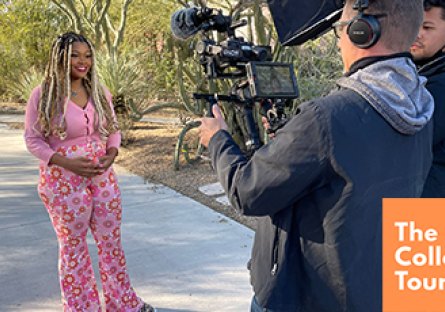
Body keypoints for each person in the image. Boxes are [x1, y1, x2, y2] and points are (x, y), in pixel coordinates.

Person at [198, 0, 434, 311]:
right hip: (371, 291)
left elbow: (247, 193)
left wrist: (217, 139)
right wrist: (292, 139)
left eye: (340, 28)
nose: (338, 41)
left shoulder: (326, 117)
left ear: (363, 32)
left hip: (304, 297)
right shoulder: (423, 105)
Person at [24, 32, 156, 312]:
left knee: (111, 243)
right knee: (74, 248)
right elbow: (32, 139)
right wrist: (63, 161)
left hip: (102, 176)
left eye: (87, 55)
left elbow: (113, 128)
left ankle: (123, 304)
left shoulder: (99, 91)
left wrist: (112, 153)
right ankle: (81, 308)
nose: (82, 61)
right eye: (75, 55)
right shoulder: (43, 95)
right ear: (60, 57)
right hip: (62, 183)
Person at [410, 0, 445, 198]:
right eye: (414, 25)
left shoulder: (439, 85)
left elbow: (410, 141)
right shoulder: (423, 74)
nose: (418, 34)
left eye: (427, 27)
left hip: (427, 201)